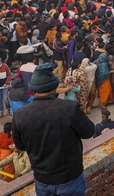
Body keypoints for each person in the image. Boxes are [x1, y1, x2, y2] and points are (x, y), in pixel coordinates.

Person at [12, 62, 95, 196]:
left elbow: (20, 146)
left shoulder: (20, 115)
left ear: (33, 89)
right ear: (54, 86)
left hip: (42, 179)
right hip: (70, 177)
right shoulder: (69, 108)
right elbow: (89, 132)